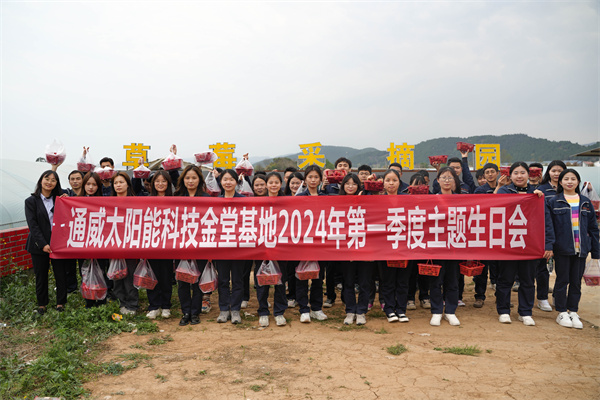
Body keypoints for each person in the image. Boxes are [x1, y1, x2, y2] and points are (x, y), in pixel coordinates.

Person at [545, 169, 599, 329]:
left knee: (576, 282)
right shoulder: (554, 202)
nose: (569, 182)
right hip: (562, 249)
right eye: (566, 179)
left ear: (578, 182)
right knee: (562, 280)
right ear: (560, 182)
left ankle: (573, 311)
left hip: (581, 249)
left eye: (573, 179)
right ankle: (562, 311)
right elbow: (549, 227)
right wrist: (549, 246)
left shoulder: (585, 202)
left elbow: (593, 228)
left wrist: (596, 252)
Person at [496, 162, 544, 326]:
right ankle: (503, 311)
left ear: (528, 175)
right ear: (510, 175)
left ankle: (525, 312)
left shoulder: (536, 193)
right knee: (505, 279)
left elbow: (545, 220)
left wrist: (538, 198)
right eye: (515, 173)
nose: (519, 176)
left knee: (528, 280)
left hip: (529, 244)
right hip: (508, 243)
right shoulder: (504, 191)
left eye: (522, 172)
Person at [25, 170, 69, 315]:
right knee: (41, 275)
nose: (49, 182)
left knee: (60, 274)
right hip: (39, 245)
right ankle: (42, 304)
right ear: (41, 181)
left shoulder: (60, 199)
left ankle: (61, 302)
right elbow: (33, 225)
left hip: (58, 243)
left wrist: (68, 200)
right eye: (47, 179)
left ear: (57, 183)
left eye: (53, 180)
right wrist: (43, 244)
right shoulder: (31, 201)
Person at [377, 169, 412, 323]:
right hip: (385, 247)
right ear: (383, 183)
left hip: (404, 246)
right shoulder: (377, 201)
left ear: (399, 182)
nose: (391, 183)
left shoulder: (408, 200)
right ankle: (390, 309)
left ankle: (401, 310)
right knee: (388, 280)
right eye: (388, 180)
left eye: (394, 180)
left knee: (403, 280)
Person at [428, 167, 461, 326]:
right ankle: (436, 311)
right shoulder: (431, 199)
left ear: (454, 181)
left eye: (450, 178)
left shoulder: (462, 200)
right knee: (436, 280)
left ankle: (450, 311)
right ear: (438, 180)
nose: (447, 180)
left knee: (452, 280)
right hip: (436, 245)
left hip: (454, 246)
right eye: (443, 177)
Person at [255, 172, 288, 327]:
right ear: (266, 184)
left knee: (280, 281)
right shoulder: (257, 202)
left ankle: (279, 312)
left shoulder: (287, 202)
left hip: (281, 247)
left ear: (281, 184)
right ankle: (263, 311)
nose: (273, 185)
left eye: (276, 182)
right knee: (262, 281)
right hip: (261, 247)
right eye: (271, 182)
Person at [296, 165, 328, 322]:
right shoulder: (299, 197)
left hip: (321, 243)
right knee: (302, 276)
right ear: (305, 179)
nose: (313, 180)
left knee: (318, 277)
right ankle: (304, 309)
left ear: (320, 179)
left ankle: (316, 308)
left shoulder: (326, 197)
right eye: (310, 177)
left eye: (316, 177)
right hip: (303, 243)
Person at [338, 174, 371, 325]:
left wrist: (360, 201)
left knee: (364, 282)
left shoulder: (366, 201)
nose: (350, 186)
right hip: (347, 249)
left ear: (359, 186)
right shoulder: (337, 203)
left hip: (364, 247)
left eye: (354, 184)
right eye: (347, 183)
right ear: (343, 186)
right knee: (348, 282)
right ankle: (350, 311)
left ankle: (362, 311)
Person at [215, 169, 246, 324]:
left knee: (237, 280)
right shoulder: (215, 202)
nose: (228, 182)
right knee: (223, 280)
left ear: (236, 181)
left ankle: (235, 310)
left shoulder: (244, 201)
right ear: (221, 182)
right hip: (221, 247)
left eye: (231, 179)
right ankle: (223, 309)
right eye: (225, 179)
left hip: (239, 247)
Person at [145, 171, 177, 320]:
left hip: (168, 244)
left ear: (168, 183)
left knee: (166, 276)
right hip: (151, 244)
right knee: (152, 276)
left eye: (163, 181)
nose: (160, 184)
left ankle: (165, 305)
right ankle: (153, 306)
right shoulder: (146, 200)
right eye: (157, 181)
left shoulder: (175, 200)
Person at [78, 172, 110, 308]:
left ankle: (101, 299)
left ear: (99, 186)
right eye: (88, 184)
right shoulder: (76, 201)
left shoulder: (104, 202)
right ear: (84, 185)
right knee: (85, 270)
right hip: (82, 244)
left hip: (100, 243)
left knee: (101, 270)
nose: (91, 187)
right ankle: (89, 300)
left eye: (94, 184)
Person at [111, 172, 140, 315]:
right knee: (116, 274)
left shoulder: (136, 202)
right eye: (115, 183)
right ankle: (121, 302)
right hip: (113, 244)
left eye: (121, 182)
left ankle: (132, 304)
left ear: (128, 185)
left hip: (131, 245)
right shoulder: (107, 202)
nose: (118, 185)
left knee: (130, 275)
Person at [405, 174, 431, 310]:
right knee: (410, 272)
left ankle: (424, 296)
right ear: (410, 186)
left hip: (425, 241)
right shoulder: (404, 200)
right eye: (416, 185)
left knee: (424, 270)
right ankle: (410, 298)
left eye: (422, 185)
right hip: (410, 242)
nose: (419, 188)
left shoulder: (431, 200)